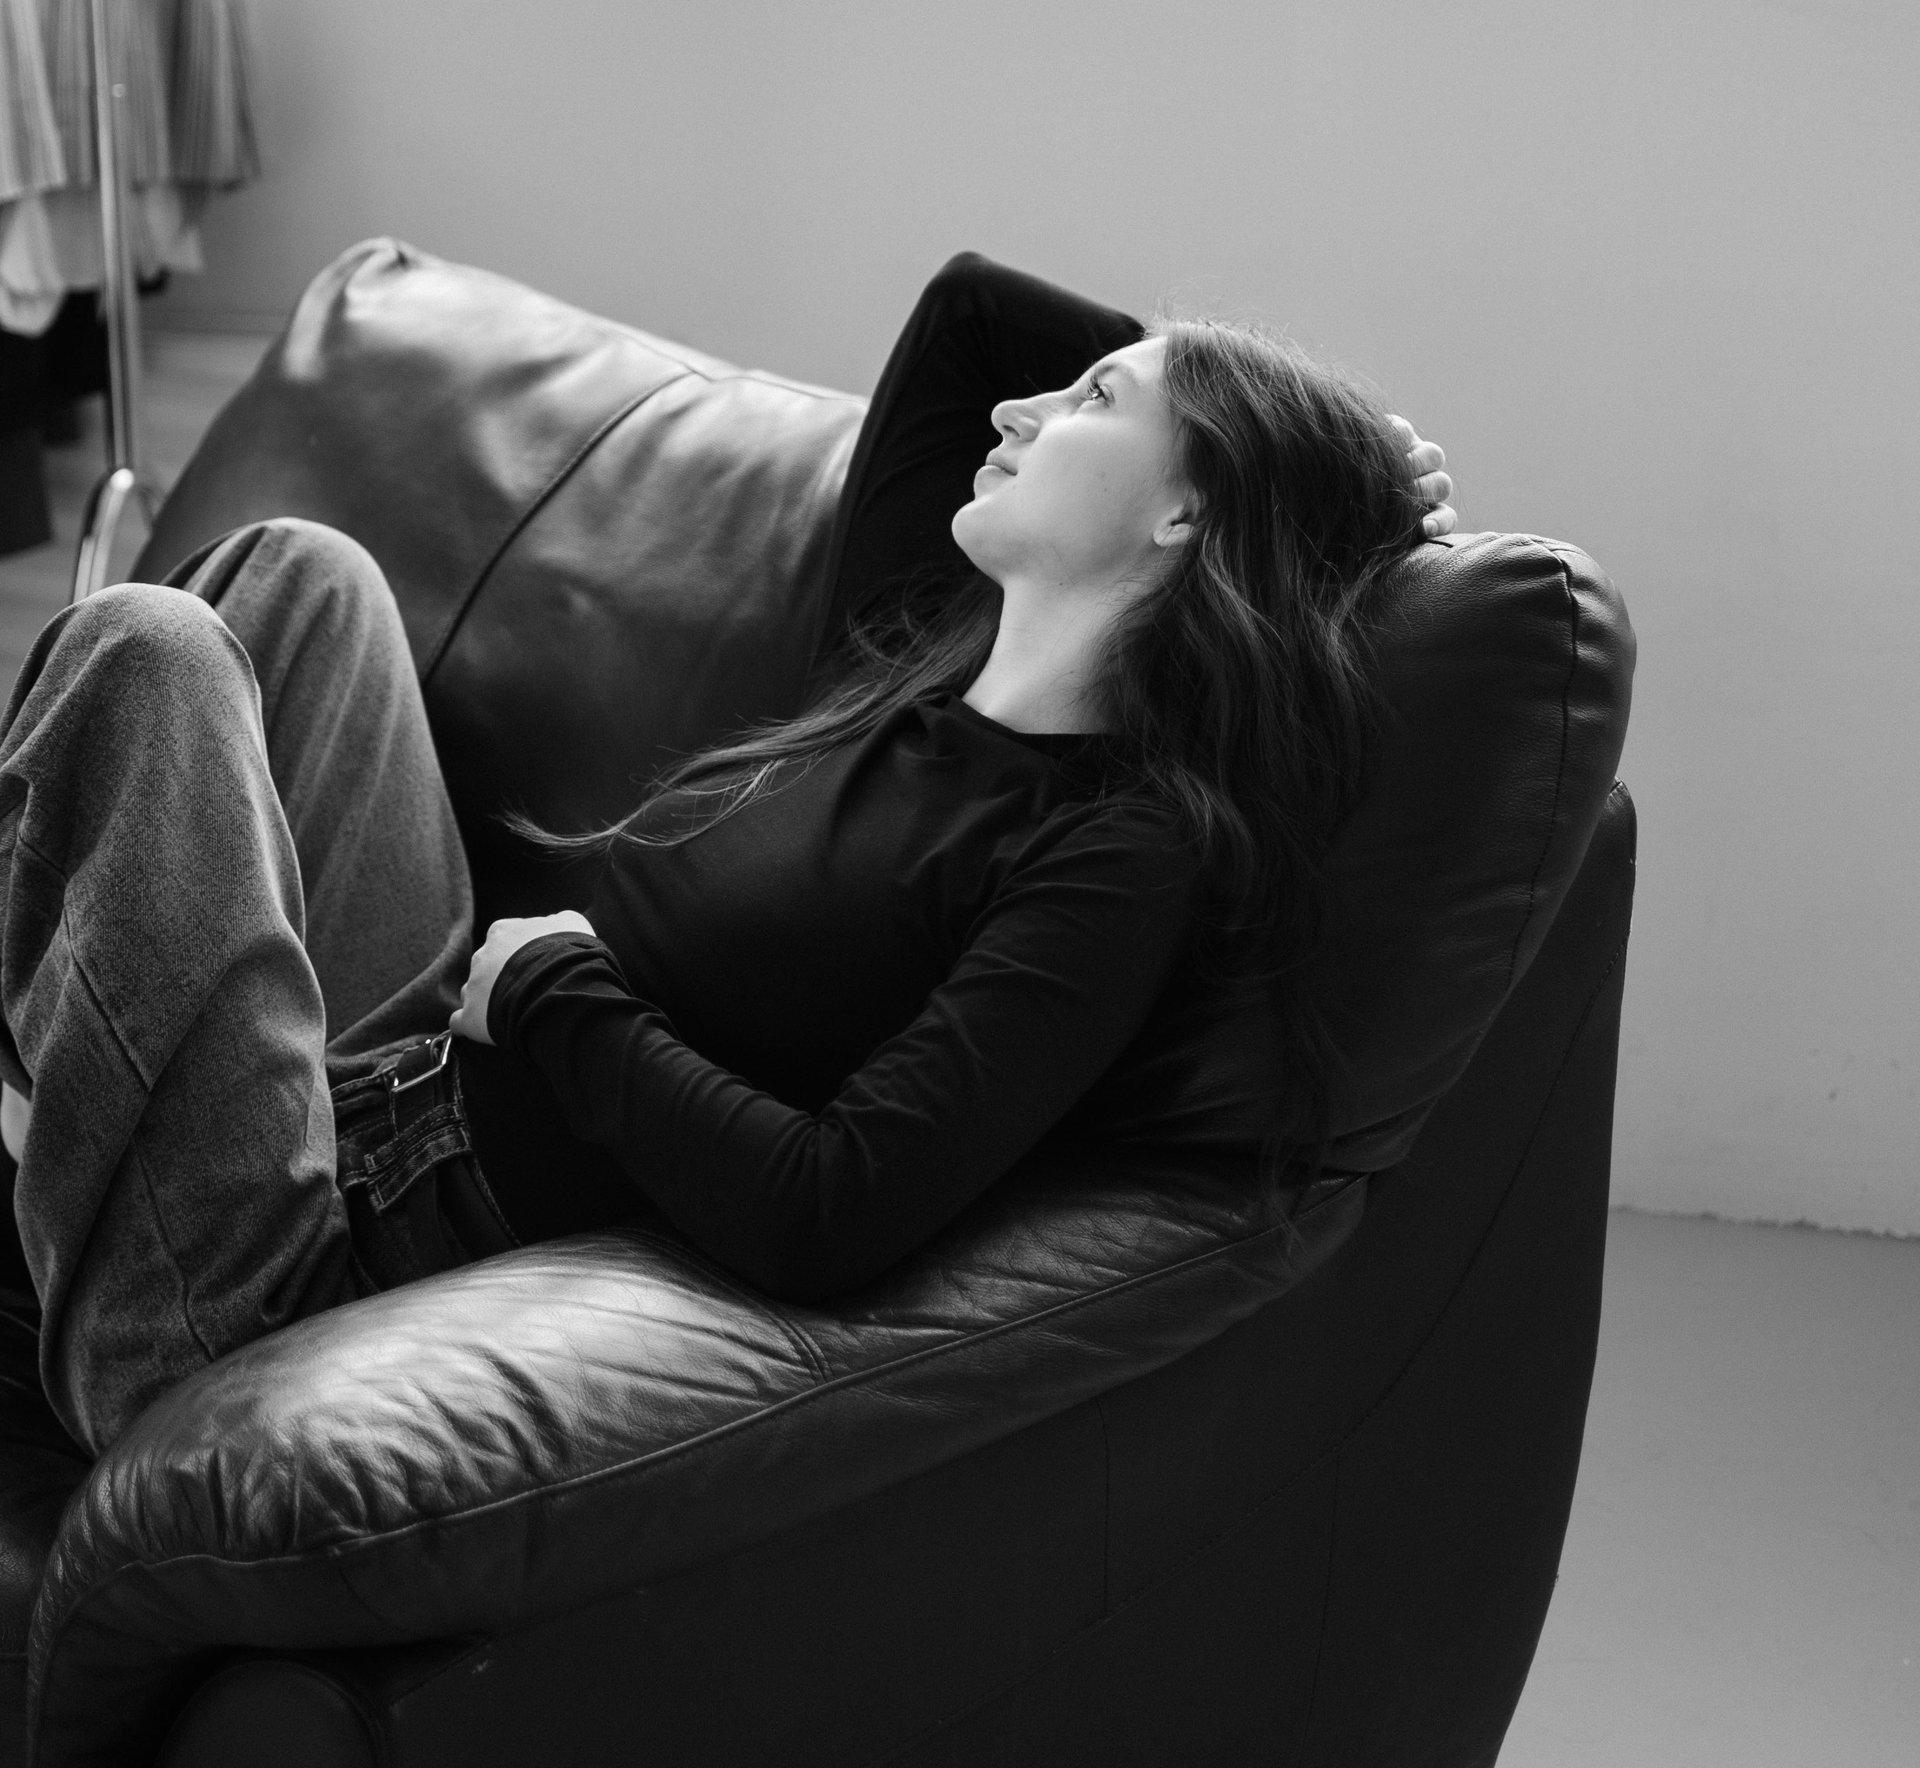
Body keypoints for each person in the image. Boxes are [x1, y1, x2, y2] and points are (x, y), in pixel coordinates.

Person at [0, 254, 1454, 1454]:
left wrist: (561, 1000)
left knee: (152, 648)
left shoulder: (1120, 851)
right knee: (304, 575)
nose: (1021, 408)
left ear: (1189, 510)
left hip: (321, 1265)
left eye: (1092, 400)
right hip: (395, 1058)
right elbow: (974, 316)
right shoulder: (916, 655)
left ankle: (100, 1181)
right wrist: (1328, 458)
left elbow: (836, 1209)